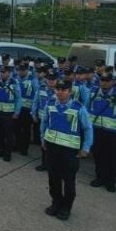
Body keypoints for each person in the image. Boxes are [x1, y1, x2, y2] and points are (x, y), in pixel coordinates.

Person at [41, 80, 94, 221]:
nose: (60, 92)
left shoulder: (79, 108)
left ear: (70, 92)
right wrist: (43, 139)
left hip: (69, 151)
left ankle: (66, 208)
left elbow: (88, 129)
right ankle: (56, 203)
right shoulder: (50, 104)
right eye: (58, 89)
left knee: (69, 181)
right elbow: (44, 122)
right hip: (52, 148)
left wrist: (85, 148)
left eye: (64, 89)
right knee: (53, 179)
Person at [88, 73, 116, 193]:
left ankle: (110, 182)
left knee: (111, 158)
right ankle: (99, 178)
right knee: (97, 155)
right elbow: (86, 110)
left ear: (113, 82)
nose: (105, 83)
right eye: (103, 80)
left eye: (108, 81)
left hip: (112, 133)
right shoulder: (93, 93)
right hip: (96, 130)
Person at [0, 65, 22, 162]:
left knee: (8, 134)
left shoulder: (14, 83)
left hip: (8, 113)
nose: (2, 74)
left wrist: (17, 112)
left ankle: (8, 153)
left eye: (4, 72)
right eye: (1, 72)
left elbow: (18, 98)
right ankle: (0, 149)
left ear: (9, 73)